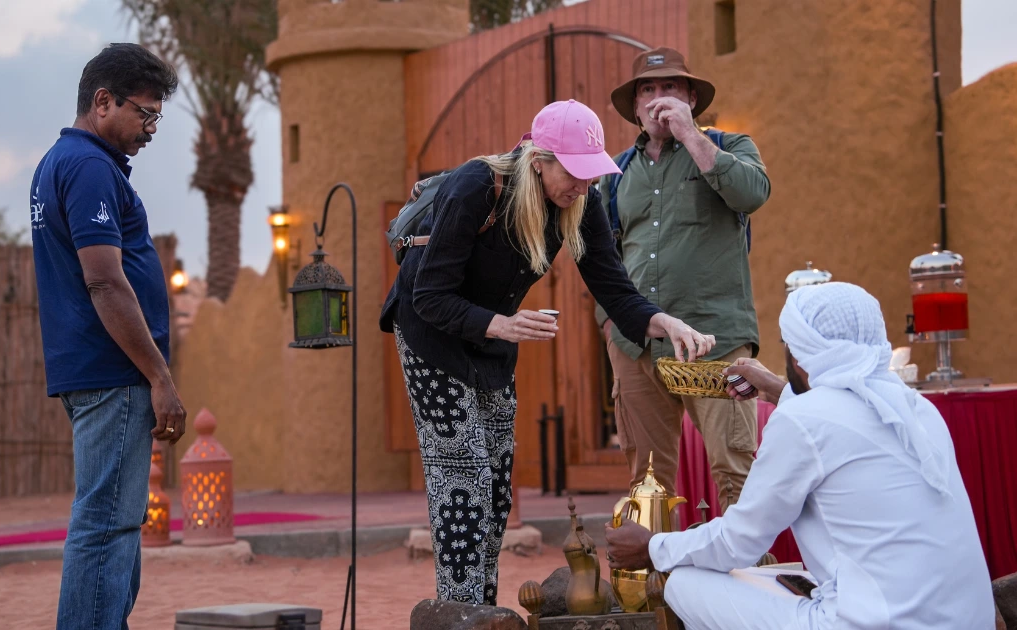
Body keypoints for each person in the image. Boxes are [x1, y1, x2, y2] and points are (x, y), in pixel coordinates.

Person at [380, 99, 716, 605]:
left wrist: (661, 320)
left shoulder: (581, 203)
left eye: (590, 173)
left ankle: (481, 606)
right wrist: (500, 324)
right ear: (539, 161)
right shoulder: (477, 185)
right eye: (573, 172)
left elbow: (613, 288)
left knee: (495, 483)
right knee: (462, 474)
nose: (582, 184)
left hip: (494, 340)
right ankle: (460, 612)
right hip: (432, 337)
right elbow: (428, 294)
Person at [604, 282, 995, 629]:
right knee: (771, 580)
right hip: (968, 617)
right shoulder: (915, 407)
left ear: (799, 355)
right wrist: (776, 388)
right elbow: (838, 410)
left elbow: (738, 543)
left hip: (878, 621)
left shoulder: (803, 420)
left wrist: (652, 547)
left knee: (685, 582)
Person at [30, 43, 186, 630]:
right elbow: (105, 283)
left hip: (95, 373)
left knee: (111, 523)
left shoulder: (59, 163)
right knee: (104, 526)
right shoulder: (90, 167)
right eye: (145, 114)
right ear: (103, 102)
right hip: (112, 373)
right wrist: (158, 377)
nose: (150, 129)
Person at [595, 46, 771, 510]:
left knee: (736, 468)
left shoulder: (731, 147)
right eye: (647, 90)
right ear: (634, 107)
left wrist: (691, 135)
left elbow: (752, 194)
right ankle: (658, 583)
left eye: (670, 87)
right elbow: (600, 257)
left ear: (691, 96)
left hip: (714, 339)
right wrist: (611, 323)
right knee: (647, 484)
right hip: (637, 345)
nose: (658, 98)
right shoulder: (615, 174)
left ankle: (742, 579)